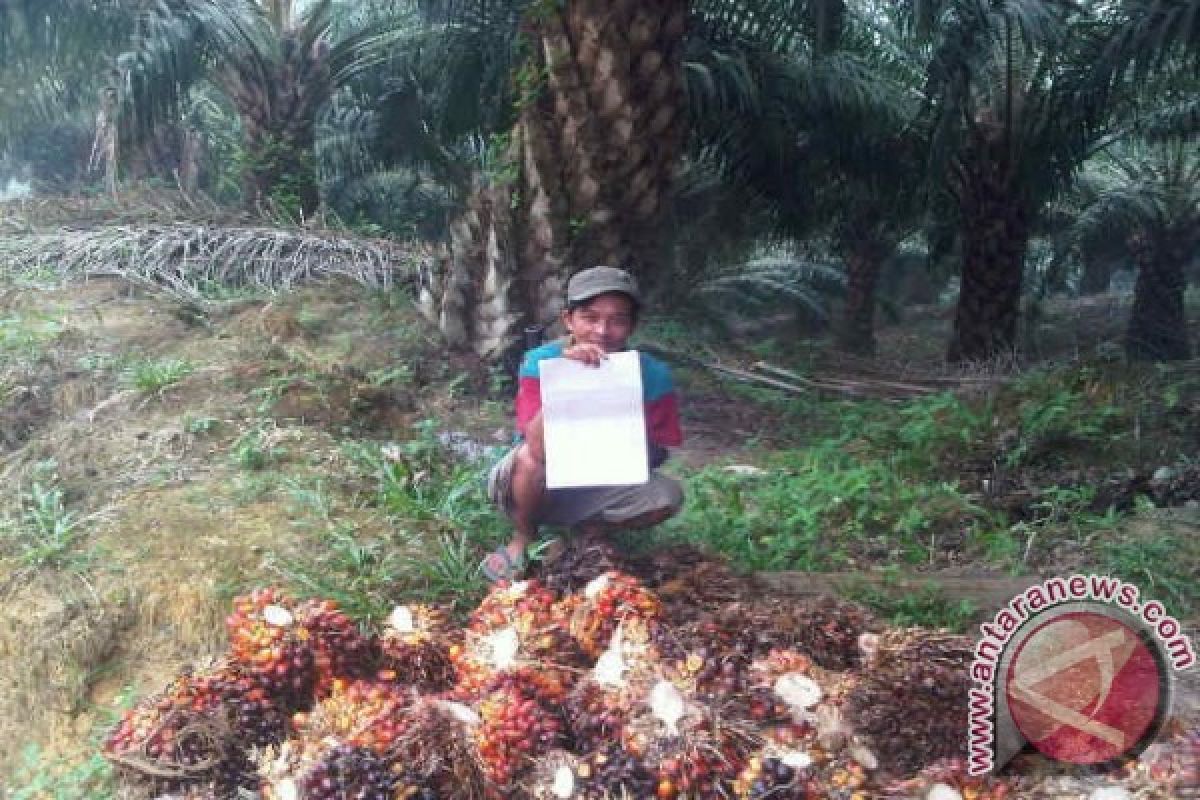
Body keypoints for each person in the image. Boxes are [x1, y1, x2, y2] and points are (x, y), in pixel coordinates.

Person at [482, 266, 684, 582]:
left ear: (632, 325)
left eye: (617, 320)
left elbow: (657, 454)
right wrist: (568, 380)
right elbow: (536, 447)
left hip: (605, 475)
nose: (602, 331)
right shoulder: (541, 362)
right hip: (538, 478)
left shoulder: (653, 375)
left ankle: (590, 532)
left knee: (667, 496)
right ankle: (525, 536)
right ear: (568, 320)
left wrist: (620, 407)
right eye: (590, 317)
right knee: (527, 461)